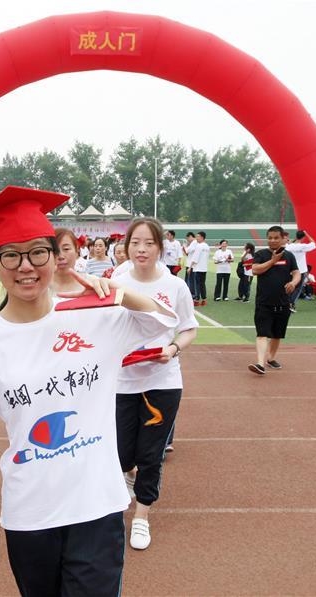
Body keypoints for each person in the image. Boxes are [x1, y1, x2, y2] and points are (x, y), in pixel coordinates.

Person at [0, 186, 178, 597]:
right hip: (29, 513)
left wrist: (119, 293)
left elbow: (166, 322)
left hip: (97, 505)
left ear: (55, 257)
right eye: (11, 255)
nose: (27, 266)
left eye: (38, 252)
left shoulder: (94, 317)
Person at [113, 217, 199, 550]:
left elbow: (189, 329)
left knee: (151, 454)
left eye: (149, 243)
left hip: (161, 381)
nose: (142, 249)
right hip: (121, 380)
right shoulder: (118, 279)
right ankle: (128, 479)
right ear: (126, 246)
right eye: (136, 242)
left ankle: (140, 516)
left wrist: (174, 348)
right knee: (120, 454)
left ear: (161, 247)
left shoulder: (175, 286)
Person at [248, 226, 300, 375]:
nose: (273, 240)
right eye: (270, 238)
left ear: (283, 238)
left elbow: (296, 273)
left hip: (283, 302)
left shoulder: (289, 256)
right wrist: (272, 261)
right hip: (264, 302)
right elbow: (255, 270)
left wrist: (293, 283)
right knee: (262, 333)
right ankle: (260, 363)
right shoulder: (260, 254)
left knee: (277, 334)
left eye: (276, 238)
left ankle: (271, 358)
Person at [284, 230, 316, 313]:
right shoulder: (303, 246)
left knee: (289, 287)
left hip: (290, 269)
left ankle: (287, 303)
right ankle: (291, 304)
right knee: (297, 289)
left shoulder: (289, 246)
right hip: (300, 270)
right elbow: (313, 243)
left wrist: (291, 242)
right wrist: (307, 233)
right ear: (303, 237)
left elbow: (288, 244)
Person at [52, 228, 86, 295]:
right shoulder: (40, 288)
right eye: (55, 250)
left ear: (77, 250)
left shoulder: (91, 283)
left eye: (66, 249)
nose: (61, 256)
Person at [191, 232, 210, 306]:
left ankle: (196, 300)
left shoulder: (199, 246)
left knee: (197, 285)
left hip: (198, 268)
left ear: (202, 237)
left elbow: (195, 258)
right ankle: (204, 300)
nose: (196, 238)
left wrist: (190, 267)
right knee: (202, 284)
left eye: (198, 236)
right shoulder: (207, 246)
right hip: (204, 268)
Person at [183, 232, 197, 299]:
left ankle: (192, 294)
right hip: (191, 264)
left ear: (191, 236)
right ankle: (191, 294)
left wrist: (185, 246)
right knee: (190, 280)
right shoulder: (194, 243)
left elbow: (187, 251)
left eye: (188, 238)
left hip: (190, 265)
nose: (187, 240)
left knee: (190, 280)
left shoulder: (194, 242)